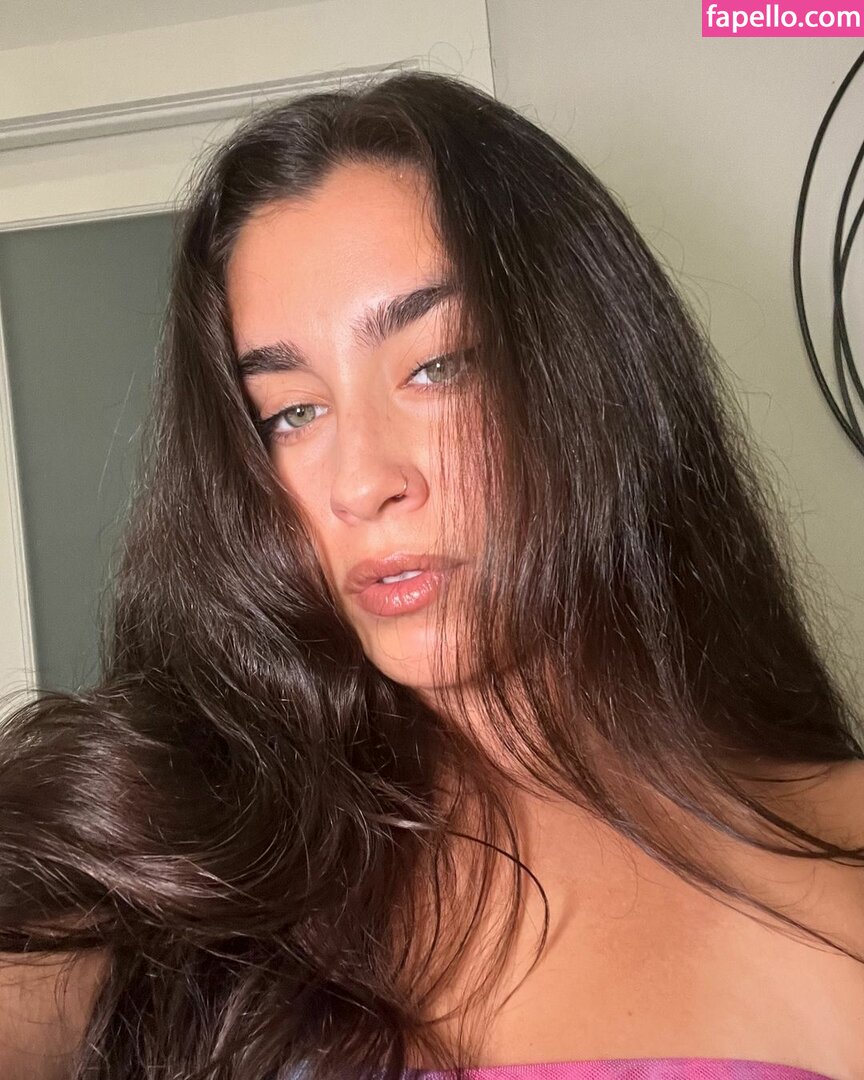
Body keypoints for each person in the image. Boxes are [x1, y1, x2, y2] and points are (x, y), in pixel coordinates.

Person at [0, 69, 862, 1080]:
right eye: (292, 413)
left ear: (592, 376)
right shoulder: (188, 840)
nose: (362, 482)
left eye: (436, 364)